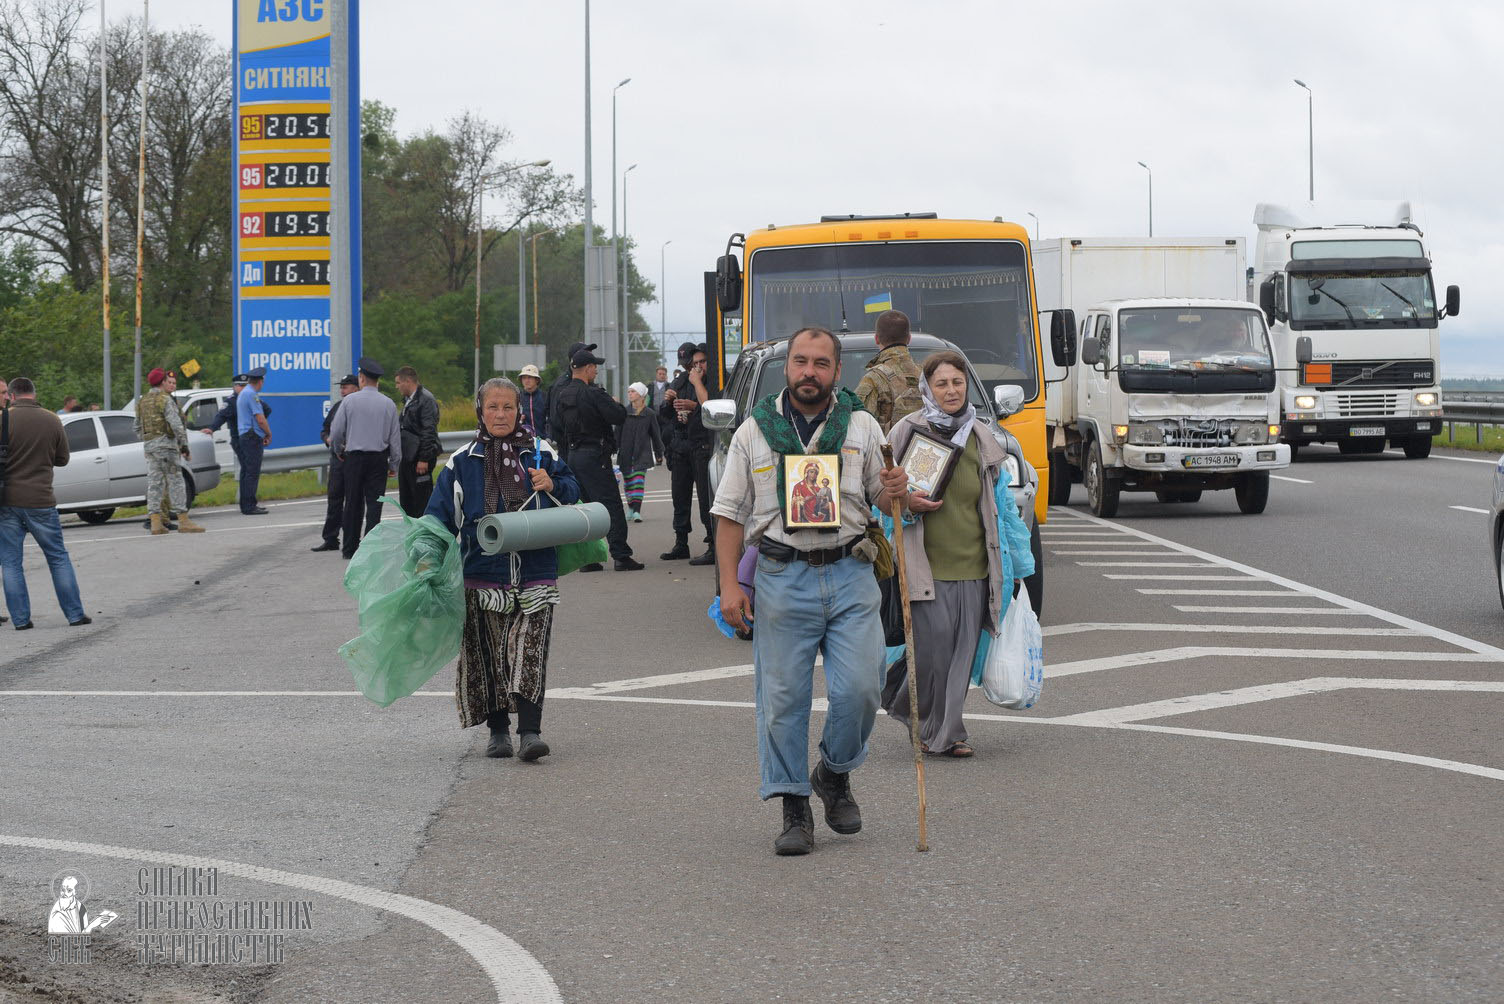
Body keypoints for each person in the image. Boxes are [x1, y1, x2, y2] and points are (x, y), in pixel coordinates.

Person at [711, 326, 913, 856]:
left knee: (862, 688)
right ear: (788, 367)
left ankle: (833, 773)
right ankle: (793, 805)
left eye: (821, 363)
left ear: (836, 371)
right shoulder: (754, 431)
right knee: (782, 701)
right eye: (800, 361)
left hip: (850, 571)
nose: (809, 371)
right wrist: (730, 585)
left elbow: (885, 498)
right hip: (781, 575)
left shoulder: (863, 426)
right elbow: (729, 515)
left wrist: (897, 491)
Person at [882, 350, 1035, 757]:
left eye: (957, 382)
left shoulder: (982, 435)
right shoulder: (905, 432)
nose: (951, 391)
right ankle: (916, 713)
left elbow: (1001, 506)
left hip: (976, 563)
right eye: (941, 384)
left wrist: (1017, 562)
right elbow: (882, 496)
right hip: (926, 565)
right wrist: (905, 507)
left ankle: (947, 733)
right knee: (933, 654)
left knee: (963, 656)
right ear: (926, 388)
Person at [426, 377, 580, 761]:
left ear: (519, 411)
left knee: (529, 650)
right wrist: (427, 558)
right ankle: (498, 733)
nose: (500, 414)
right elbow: (439, 518)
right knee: (490, 654)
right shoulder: (463, 461)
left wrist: (553, 484)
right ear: (481, 410)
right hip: (483, 575)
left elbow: (574, 490)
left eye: (508, 407)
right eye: (493, 407)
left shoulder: (541, 451)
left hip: (536, 571)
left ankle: (530, 732)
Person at [0, 377, 92, 629]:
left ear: (13, 395)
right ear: (33, 393)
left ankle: (20, 620)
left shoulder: (2, 419)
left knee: (10, 562)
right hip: (41, 500)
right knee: (57, 557)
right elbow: (62, 459)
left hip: (7, 501)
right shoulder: (52, 419)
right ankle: (75, 615)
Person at [553, 347, 643, 571]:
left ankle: (589, 558)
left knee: (583, 507)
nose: (596, 371)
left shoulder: (561, 393)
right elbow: (619, 416)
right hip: (595, 455)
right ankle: (621, 555)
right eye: (595, 367)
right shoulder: (593, 393)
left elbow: (555, 425)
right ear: (588, 368)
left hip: (572, 455)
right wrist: (613, 402)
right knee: (610, 504)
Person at [327, 357, 401, 560]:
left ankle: (349, 548)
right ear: (377, 381)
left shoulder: (349, 401)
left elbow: (337, 431)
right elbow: (395, 439)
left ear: (361, 378)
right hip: (378, 460)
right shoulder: (388, 404)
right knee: (375, 505)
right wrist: (394, 463)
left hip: (354, 459)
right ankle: (370, 549)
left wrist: (338, 450)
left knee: (352, 503)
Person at [659, 342, 715, 565]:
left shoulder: (712, 380)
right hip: (682, 444)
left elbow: (711, 407)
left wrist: (694, 406)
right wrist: (668, 402)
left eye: (701, 362)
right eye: (693, 363)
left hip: (703, 444)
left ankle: (712, 543)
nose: (696, 366)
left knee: (705, 498)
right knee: (679, 497)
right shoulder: (681, 380)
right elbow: (665, 416)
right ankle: (680, 543)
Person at [133, 368, 205, 535]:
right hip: (167, 447)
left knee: (154, 484)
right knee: (176, 482)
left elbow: (136, 427)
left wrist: (149, 442)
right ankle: (183, 521)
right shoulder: (165, 399)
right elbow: (176, 424)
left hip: (150, 447)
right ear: (162, 382)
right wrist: (184, 447)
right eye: (167, 380)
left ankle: (156, 523)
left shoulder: (142, 402)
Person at [855, 309, 924, 435]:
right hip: (925, 451)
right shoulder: (929, 376)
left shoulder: (873, 379)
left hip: (886, 453)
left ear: (876, 339)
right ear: (909, 338)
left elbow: (859, 427)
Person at [310, 373, 358, 552]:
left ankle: (350, 538)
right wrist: (328, 439)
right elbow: (325, 429)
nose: (342, 390)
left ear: (356, 387)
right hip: (337, 460)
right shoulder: (338, 407)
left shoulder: (359, 407)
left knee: (353, 500)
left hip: (354, 458)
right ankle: (330, 538)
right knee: (334, 498)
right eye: (341, 387)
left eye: (345, 387)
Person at [394, 365, 441, 519]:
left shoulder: (425, 399)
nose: (397, 387)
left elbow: (429, 431)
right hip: (407, 456)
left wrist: (424, 458)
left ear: (408, 381)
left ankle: (424, 536)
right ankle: (410, 535)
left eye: (398, 383)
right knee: (407, 501)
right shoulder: (409, 400)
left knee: (421, 502)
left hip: (419, 459)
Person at [617, 381, 664, 522]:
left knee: (638, 481)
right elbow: (617, 433)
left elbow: (656, 435)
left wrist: (659, 452)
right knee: (628, 483)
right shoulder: (623, 412)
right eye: (629, 391)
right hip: (625, 453)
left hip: (642, 454)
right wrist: (612, 448)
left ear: (641, 395)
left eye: (633, 391)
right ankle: (631, 508)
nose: (630, 394)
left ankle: (637, 511)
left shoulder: (649, 414)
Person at [548, 341, 597, 457]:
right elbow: (556, 419)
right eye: (587, 354)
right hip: (570, 449)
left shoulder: (589, 383)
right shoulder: (562, 385)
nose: (591, 358)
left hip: (587, 449)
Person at [235, 367, 272, 515]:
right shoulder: (252, 395)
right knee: (252, 472)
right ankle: (250, 505)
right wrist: (268, 434)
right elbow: (260, 419)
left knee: (246, 471)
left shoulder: (244, 393)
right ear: (261, 381)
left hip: (244, 435)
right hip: (252, 436)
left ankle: (246, 504)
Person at [518, 364, 550, 440]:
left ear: (537, 380)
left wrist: (549, 437)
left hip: (543, 440)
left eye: (529, 377)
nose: (526, 380)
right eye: (524, 378)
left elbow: (550, 419)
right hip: (523, 441)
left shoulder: (544, 396)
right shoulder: (518, 397)